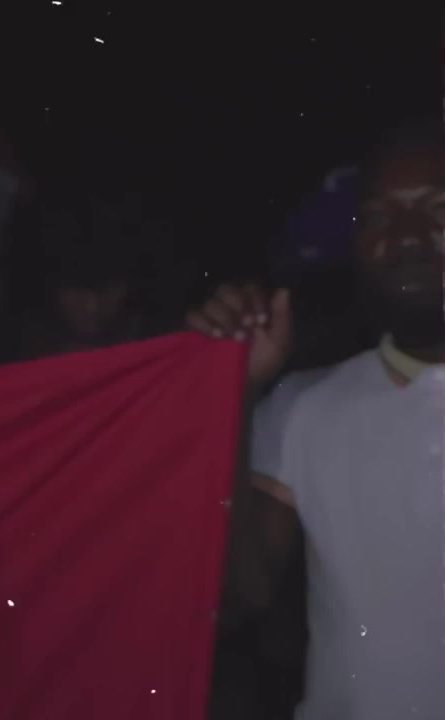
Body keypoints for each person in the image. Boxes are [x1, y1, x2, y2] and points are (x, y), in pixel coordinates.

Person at [188, 115, 445, 719]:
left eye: (438, 210)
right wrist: (233, 394)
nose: (407, 237)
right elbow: (239, 598)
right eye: (379, 216)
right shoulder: (303, 407)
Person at [6, 189, 145, 362]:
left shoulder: (145, 348)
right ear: (52, 286)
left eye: (106, 289)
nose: (92, 306)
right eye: (78, 289)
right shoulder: (17, 345)